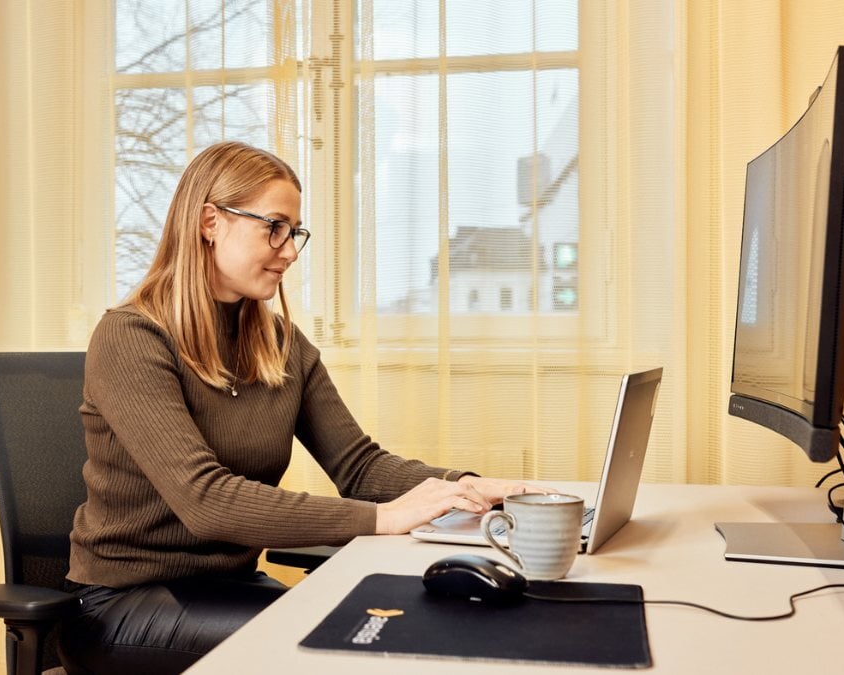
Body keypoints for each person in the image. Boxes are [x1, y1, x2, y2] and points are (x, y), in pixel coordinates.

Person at [58, 141, 544, 674]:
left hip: (232, 587)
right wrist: (383, 518)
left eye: (295, 232)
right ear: (210, 222)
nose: (289, 251)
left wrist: (466, 487)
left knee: (398, 619)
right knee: (352, 646)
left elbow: (359, 467)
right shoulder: (131, 337)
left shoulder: (281, 344)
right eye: (275, 227)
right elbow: (205, 501)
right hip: (124, 605)